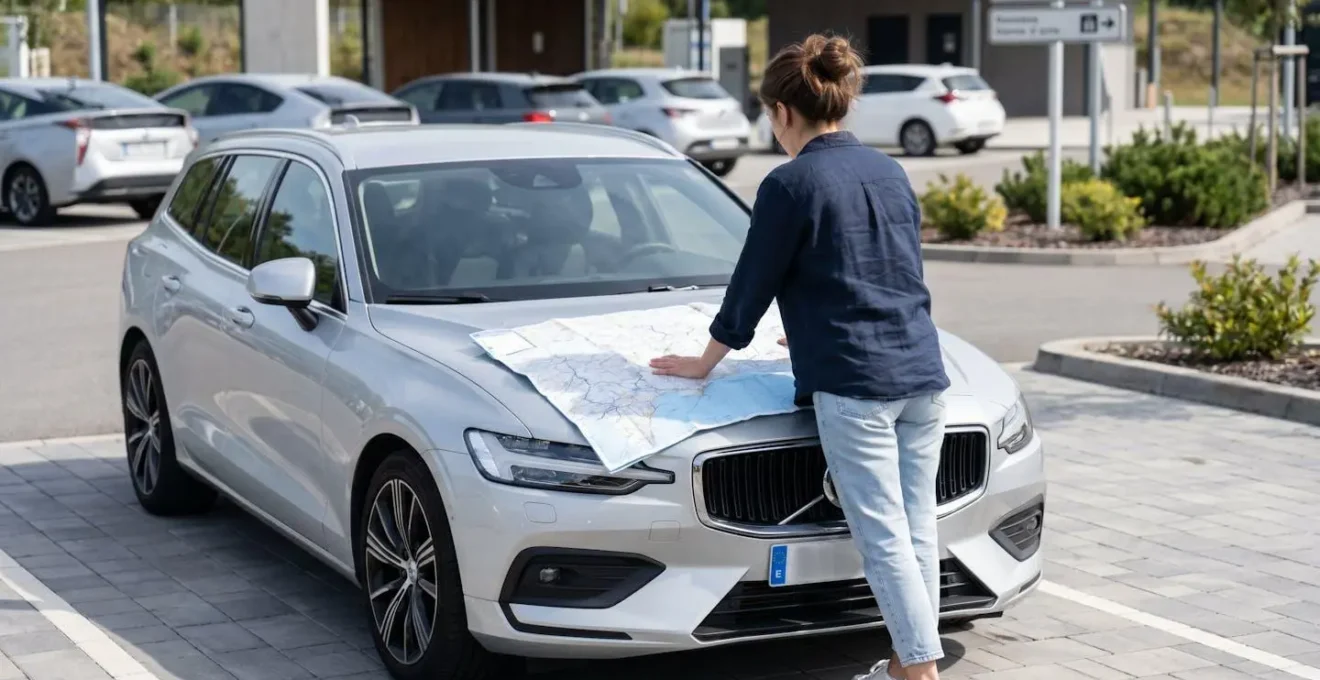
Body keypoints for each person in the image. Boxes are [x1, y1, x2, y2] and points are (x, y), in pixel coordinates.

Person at [649, 34, 950, 680]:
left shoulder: (789, 185)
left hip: (858, 383)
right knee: (916, 528)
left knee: (883, 537)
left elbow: (751, 285)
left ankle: (918, 672)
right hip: (922, 374)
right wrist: (813, 326)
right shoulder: (890, 171)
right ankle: (909, 664)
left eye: (768, 118)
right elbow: (892, 273)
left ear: (784, 112)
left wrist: (704, 361)